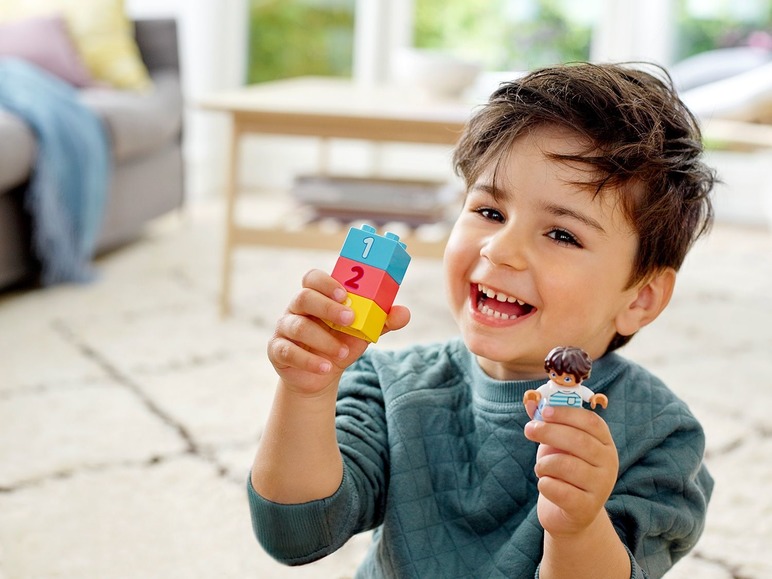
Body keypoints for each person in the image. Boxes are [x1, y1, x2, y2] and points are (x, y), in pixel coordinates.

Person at [247, 62, 716, 579]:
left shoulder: (659, 434)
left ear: (642, 298)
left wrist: (578, 528)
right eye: (490, 212)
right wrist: (306, 392)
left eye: (561, 234)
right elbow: (295, 534)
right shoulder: (386, 385)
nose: (501, 249)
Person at [524, 346, 607, 421]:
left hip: (573, 417)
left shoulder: (579, 390)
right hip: (547, 415)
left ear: (582, 376)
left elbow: (590, 396)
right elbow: (539, 393)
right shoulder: (551, 387)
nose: (559, 381)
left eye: (567, 379)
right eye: (553, 374)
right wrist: (535, 395)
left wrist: (594, 398)